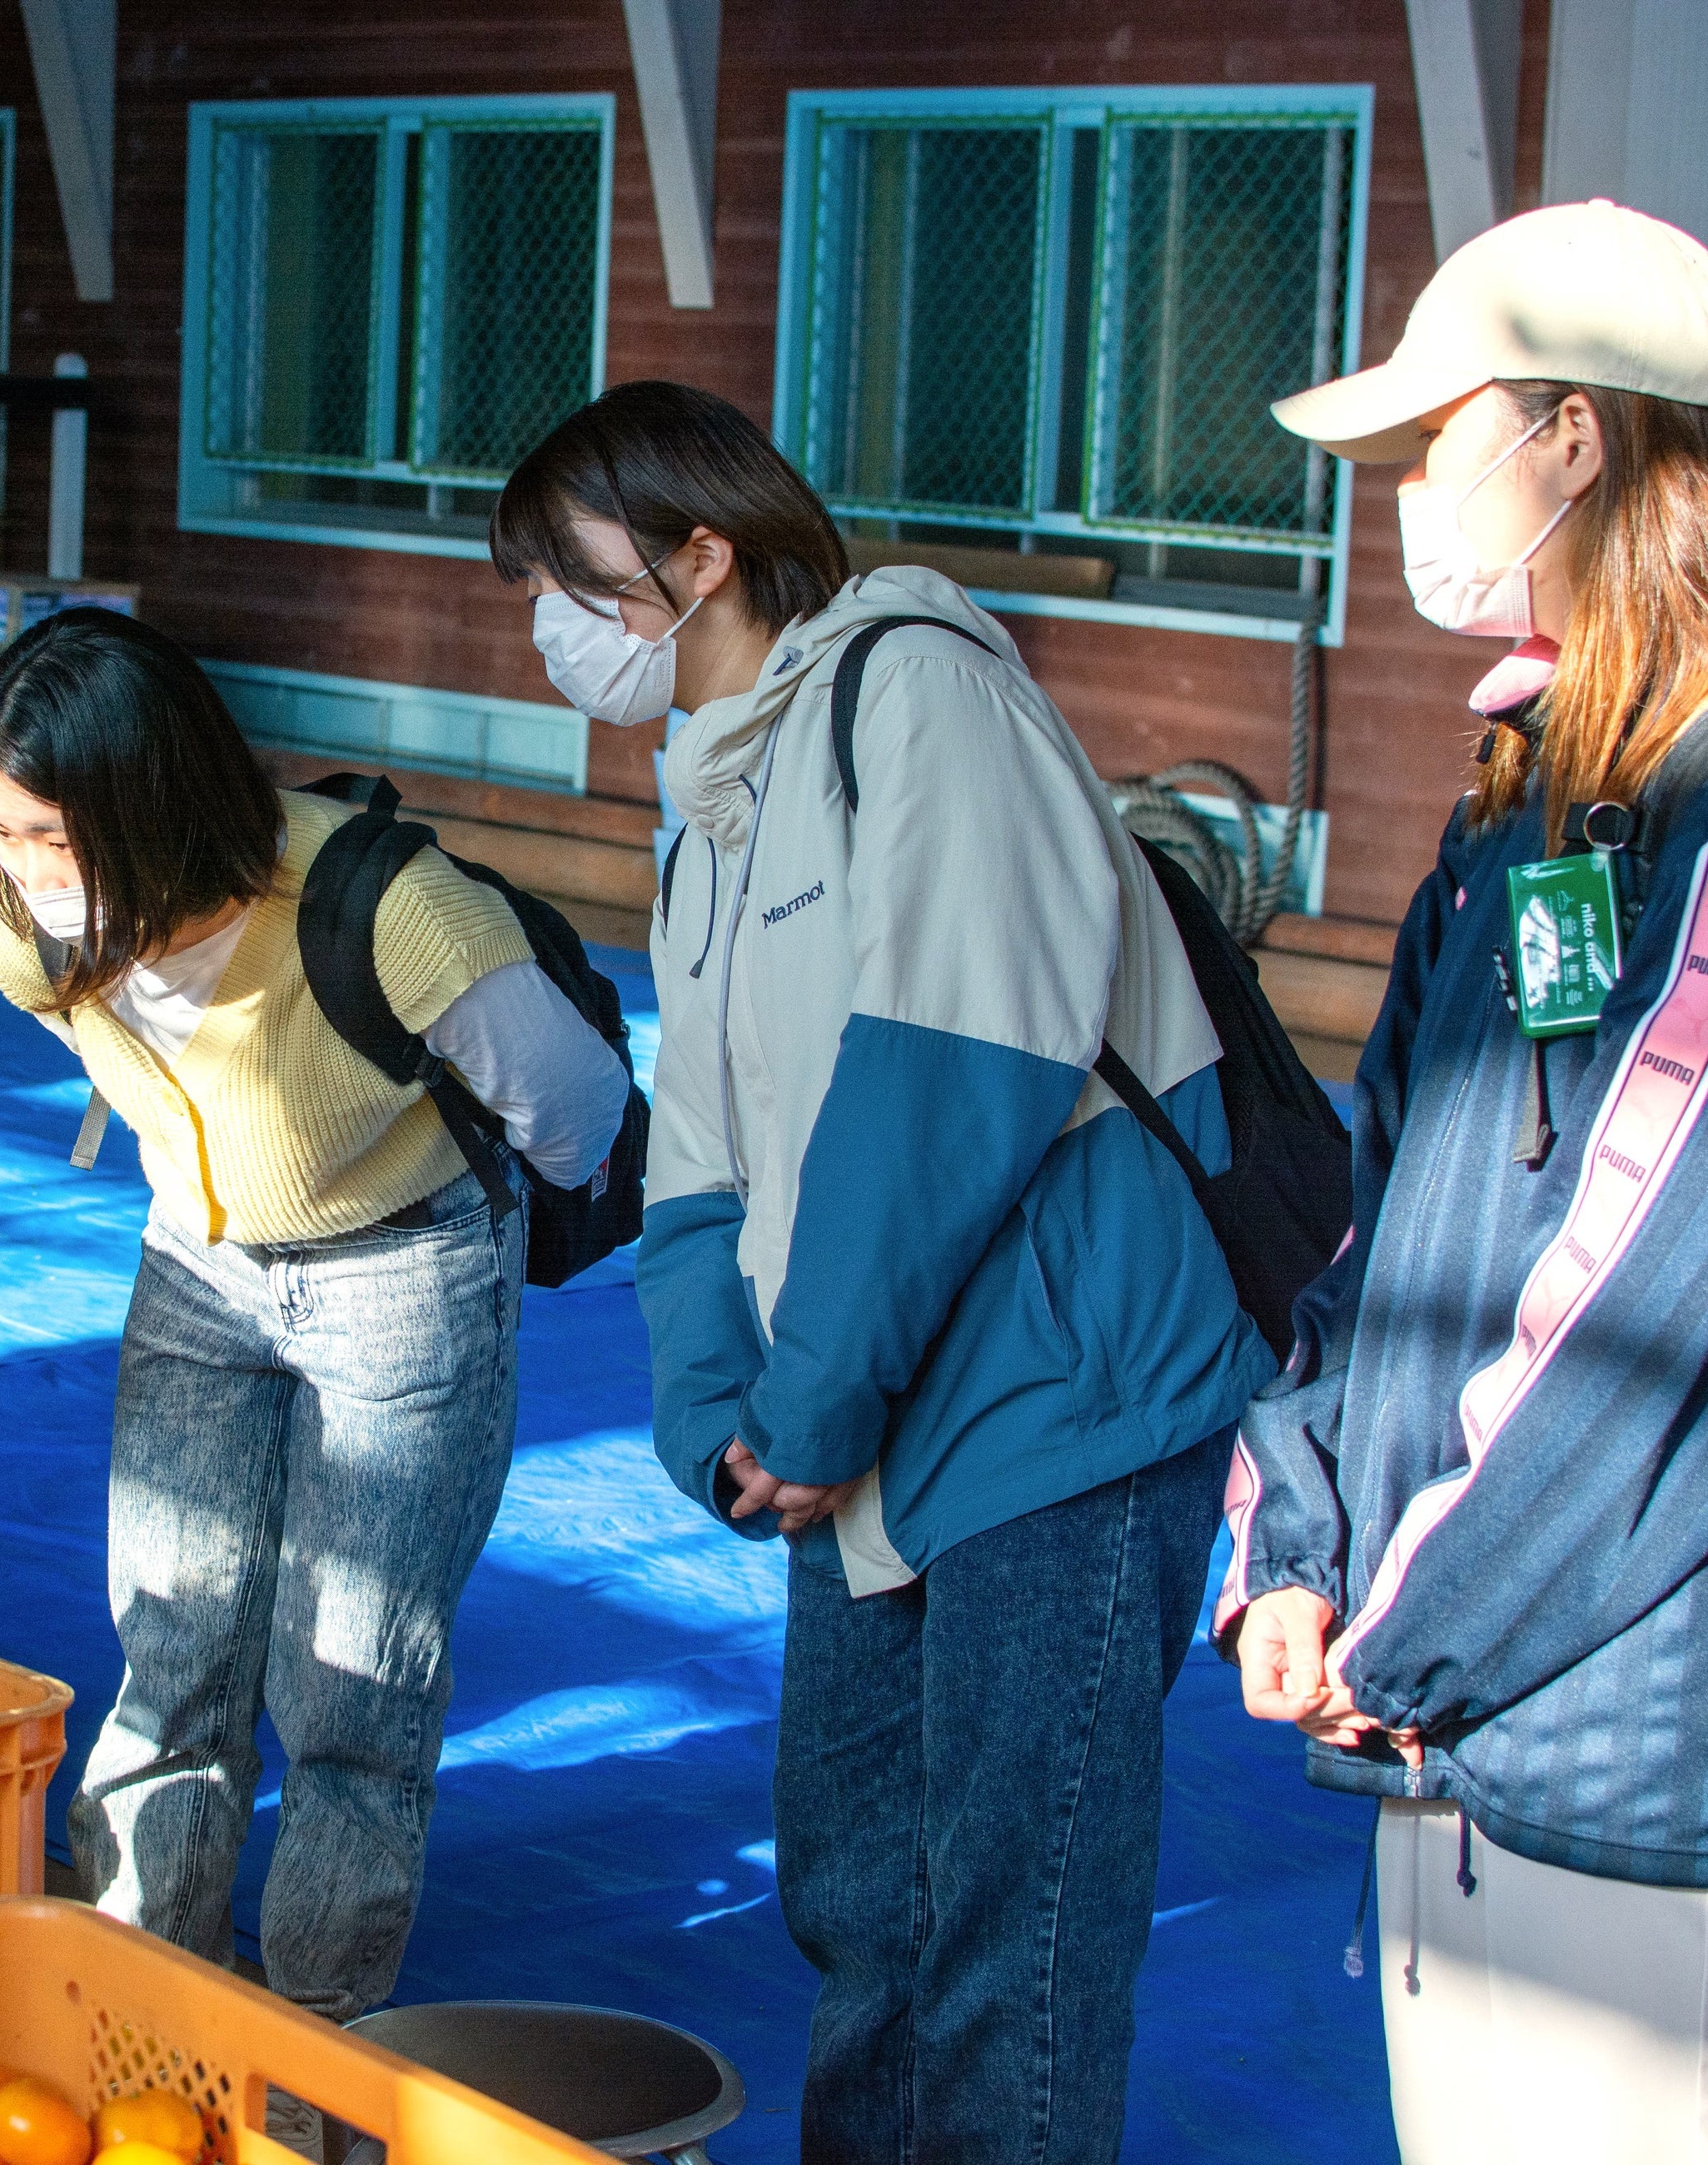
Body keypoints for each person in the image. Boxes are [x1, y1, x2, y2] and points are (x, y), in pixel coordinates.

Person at [1229, 200, 1708, 2163]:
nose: (1407, 497)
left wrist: (1405, 1627)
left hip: (1631, 1731)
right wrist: (1293, 1534)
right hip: (1448, 1708)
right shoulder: (1542, 793)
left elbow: (1669, 1301)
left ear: (1571, 433)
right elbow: (1384, 1221)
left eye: (1432, 437)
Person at [490, 381, 1275, 2163]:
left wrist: (817, 1401)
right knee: (859, 1902)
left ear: (705, 553)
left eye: (575, 575)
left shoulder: (918, 691)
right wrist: (726, 1421)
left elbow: (952, 1074)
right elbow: (693, 1151)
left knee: (1017, 1926)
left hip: (1050, 1414)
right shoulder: (711, 801)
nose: (553, 624)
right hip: (853, 1432)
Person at [0, 608, 632, 2030]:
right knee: (171, 1645)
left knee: (352, 1693)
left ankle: (316, 2046)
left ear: (162, 805)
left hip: (402, 1281)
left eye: (57, 839)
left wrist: (397, 1181)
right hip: (196, 1272)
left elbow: (578, 1116)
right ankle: (134, 2015)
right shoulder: (26, 932)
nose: (26, 872)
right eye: (4, 831)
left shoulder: (394, 908)